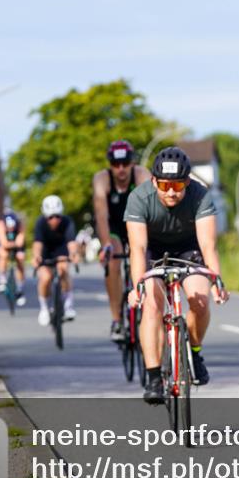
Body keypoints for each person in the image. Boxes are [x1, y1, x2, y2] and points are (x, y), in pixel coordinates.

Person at [125, 146, 228, 404]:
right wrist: (137, 286)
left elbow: (208, 246)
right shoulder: (139, 198)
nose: (171, 191)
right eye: (164, 185)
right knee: (152, 305)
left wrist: (216, 280)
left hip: (189, 249)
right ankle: (153, 377)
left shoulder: (200, 195)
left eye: (179, 185)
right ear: (153, 181)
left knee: (200, 301)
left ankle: (193, 352)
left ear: (188, 181)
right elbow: (137, 249)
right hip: (153, 252)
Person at [93, 140, 151, 340]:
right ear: (110, 165)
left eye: (125, 163)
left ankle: (151, 308)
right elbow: (101, 215)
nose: (121, 169)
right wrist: (106, 244)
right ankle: (117, 319)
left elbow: (152, 209)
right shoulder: (102, 179)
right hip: (115, 227)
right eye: (116, 164)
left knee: (147, 258)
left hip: (139, 224)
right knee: (113, 261)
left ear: (132, 163)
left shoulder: (142, 175)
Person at [31, 195, 79, 326]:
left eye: (57, 216)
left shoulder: (67, 222)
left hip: (61, 250)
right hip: (45, 252)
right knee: (45, 277)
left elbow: (71, 243)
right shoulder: (40, 223)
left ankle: (68, 306)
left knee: (63, 270)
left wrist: (74, 254)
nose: (54, 220)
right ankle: (44, 308)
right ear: (46, 217)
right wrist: (36, 256)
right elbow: (37, 244)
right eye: (50, 217)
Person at [0, 209, 27, 306]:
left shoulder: (20, 225)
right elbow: (3, 243)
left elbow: (20, 242)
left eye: (12, 227)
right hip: (4, 245)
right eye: (8, 227)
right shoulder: (0, 224)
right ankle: (2, 279)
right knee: (3, 254)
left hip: (17, 247)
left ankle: (20, 288)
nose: (11, 229)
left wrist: (15, 245)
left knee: (20, 258)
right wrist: (12, 244)